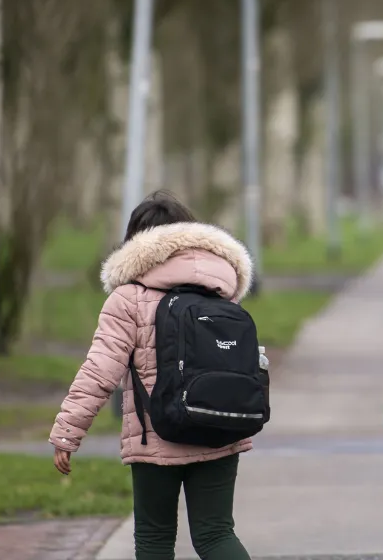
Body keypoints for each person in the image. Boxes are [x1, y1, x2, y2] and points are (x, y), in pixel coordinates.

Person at [50, 191, 255, 560]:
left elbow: (100, 369)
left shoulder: (128, 298)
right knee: (216, 535)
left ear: (136, 243)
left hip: (156, 436)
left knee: (154, 540)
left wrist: (68, 432)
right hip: (219, 427)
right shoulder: (221, 290)